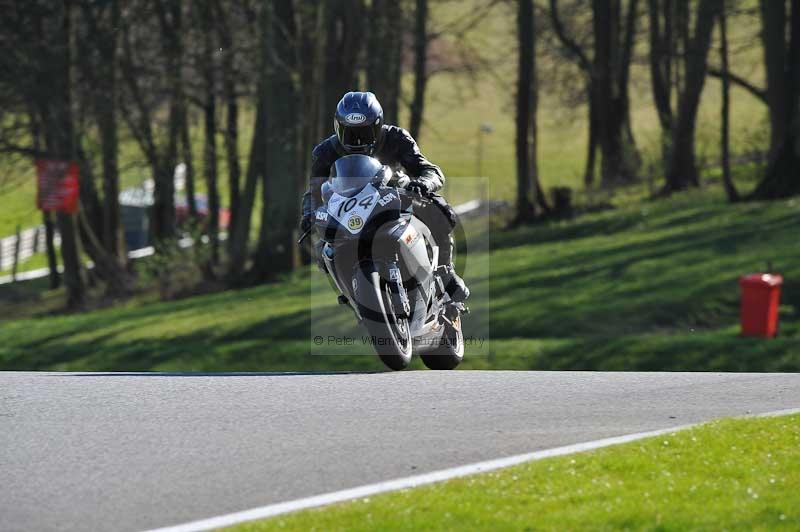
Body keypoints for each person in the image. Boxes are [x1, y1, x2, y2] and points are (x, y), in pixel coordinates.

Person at [301, 91, 469, 302]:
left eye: (364, 132)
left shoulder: (397, 138)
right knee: (324, 249)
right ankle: (348, 291)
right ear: (338, 127)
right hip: (348, 211)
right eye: (350, 133)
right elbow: (313, 190)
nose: (357, 140)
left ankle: (446, 272)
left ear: (378, 125)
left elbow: (430, 170)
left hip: (393, 198)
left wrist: (422, 183)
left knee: (439, 209)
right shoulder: (325, 151)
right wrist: (309, 214)